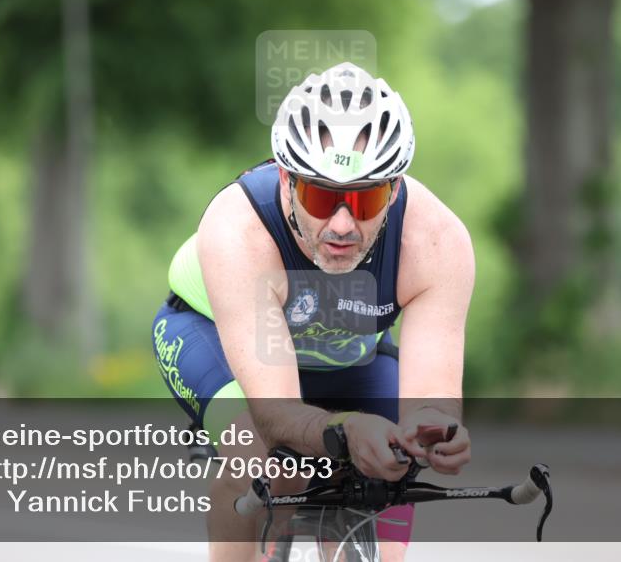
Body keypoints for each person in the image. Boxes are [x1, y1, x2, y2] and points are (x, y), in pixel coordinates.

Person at [152, 62, 475, 560]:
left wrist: (434, 432)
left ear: (393, 190)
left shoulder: (437, 242)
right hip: (210, 334)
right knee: (260, 457)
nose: (342, 224)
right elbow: (275, 415)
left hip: (342, 350)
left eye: (365, 200)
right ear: (286, 182)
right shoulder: (238, 228)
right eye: (322, 197)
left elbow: (431, 402)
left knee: (396, 462)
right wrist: (344, 429)